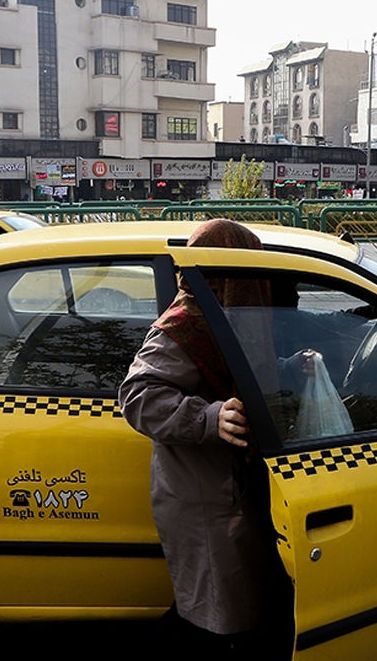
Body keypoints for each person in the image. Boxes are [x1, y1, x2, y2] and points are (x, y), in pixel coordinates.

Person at [119, 220, 294, 661]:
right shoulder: (185, 324)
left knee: (227, 602)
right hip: (205, 499)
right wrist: (209, 417)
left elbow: (242, 371)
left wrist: (293, 368)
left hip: (230, 491)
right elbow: (138, 396)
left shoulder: (227, 317)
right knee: (217, 611)